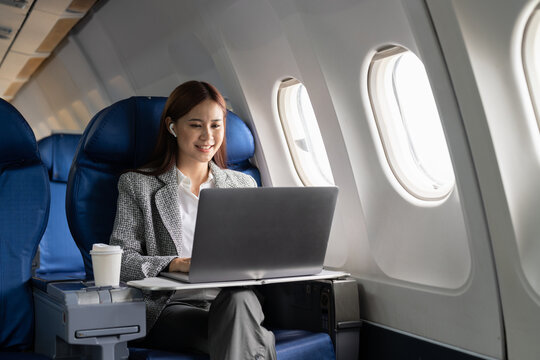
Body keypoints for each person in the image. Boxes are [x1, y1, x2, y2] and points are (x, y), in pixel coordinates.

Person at [109, 80, 276, 360]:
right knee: (247, 335)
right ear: (172, 127)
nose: (208, 136)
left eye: (216, 124)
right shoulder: (137, 185)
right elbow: (122, 261)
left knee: (239, 301)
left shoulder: (242, 184)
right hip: (170, 307)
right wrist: (175, 264)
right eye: (196, 125)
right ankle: (262, 341)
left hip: (233, 300)